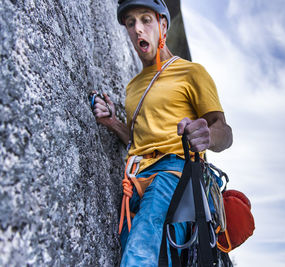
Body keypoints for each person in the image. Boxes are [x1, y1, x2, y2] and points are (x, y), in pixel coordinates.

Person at [91, 0, 232, 265]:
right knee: (136, 249)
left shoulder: (191, 72)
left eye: (146, 19)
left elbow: (225, 132)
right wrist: (113, 123)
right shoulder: (134, 87)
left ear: (163, 25)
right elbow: (137, 141)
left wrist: (208, 136)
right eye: (130, 23)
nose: (137, 30)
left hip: (174, 172)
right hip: (135, 179)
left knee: (139, 253)